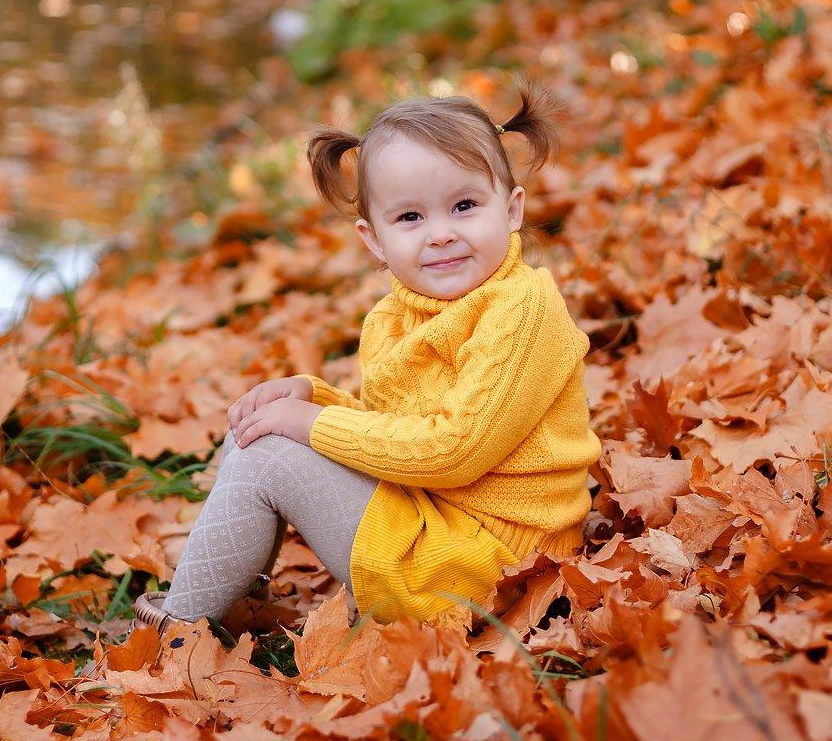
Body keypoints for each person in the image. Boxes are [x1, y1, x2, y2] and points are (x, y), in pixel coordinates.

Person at [132, 77, 601, 634]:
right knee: (257, 433)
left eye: (465, 205)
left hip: (497, 568)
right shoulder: (393, 318)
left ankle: (176, 633)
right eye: (410, 218)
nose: (442, 234)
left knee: (271, 456)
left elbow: (454, 450)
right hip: (440, 525)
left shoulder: (521, 307)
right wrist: (316, 398)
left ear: (512, 209)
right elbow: (396, 432)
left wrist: (314, 424)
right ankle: (227, 596)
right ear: (374, 240)